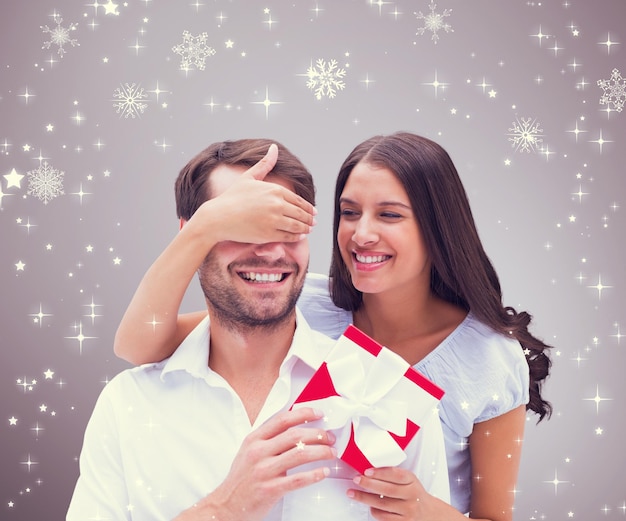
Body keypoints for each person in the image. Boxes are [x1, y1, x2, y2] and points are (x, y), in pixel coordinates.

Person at [114, 132, 553, 521]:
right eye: (349, 212)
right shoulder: (304, 305)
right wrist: (204, 226)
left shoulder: (491, 360)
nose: (361, 234)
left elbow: (496, 516)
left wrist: (427, 512)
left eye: (389, 215)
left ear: (437, 228)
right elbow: (140, 343)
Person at [68, 138, 450, 521]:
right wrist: (223, 509)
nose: (269, 250)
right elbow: (135, 341)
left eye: (287, 227)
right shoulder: (128, 406)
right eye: (240, 227)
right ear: (191, 236)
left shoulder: (387, 395)